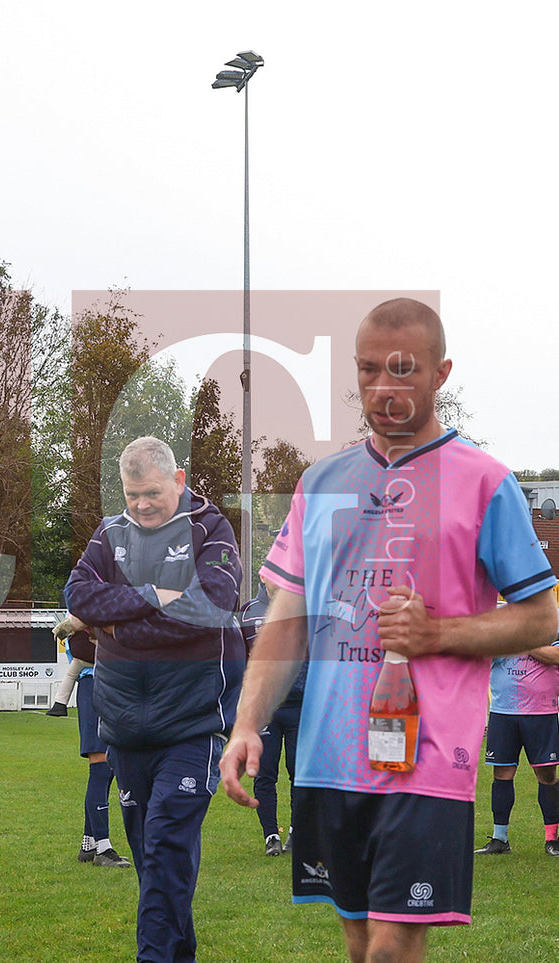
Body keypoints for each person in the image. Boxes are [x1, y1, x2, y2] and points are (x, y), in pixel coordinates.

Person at [219, 298, 558, 963]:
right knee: (355, 941)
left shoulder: (486, 482)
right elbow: (286, 621)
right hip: (325, 757)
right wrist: (246, 722)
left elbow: (540, 616)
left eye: (401, 370)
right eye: (367, 370)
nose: (381, 389)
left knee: (390, 948)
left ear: (440, 373)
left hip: (427, 759)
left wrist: (435, 635)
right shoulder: (319, 482)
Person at [64, 435, 245, 963]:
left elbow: (212, 603)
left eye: (152, 493)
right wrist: (153, 599)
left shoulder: (208, 528)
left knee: (165, 850)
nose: (141, 505)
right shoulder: (110, 532)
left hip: (190, 727)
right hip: (122, 728)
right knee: (155, 865)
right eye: (131, 494)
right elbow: (78, 593)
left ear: (179, 481)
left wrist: (118, 625)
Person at [51, 614, 133, 868]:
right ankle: (103, 847)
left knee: (107, 769)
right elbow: (80, 647)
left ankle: (89, 842)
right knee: (100, 764)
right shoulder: (83, 607)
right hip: (95, 686)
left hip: (112, 688)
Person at [473, 637, 559, 856]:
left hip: (541, 714)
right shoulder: (502, 629)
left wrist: (521, 644)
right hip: (503, 713)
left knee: (546, 774)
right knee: (502, 772)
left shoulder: (552, 627)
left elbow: (555, 656)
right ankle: (499, 839)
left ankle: (552, 839)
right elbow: (482, 656)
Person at [240, 581, 306, 856]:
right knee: (264, 772)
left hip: (299, 707)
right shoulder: (248, 613)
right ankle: (270, 836)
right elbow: (239, 659)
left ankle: (295, 832)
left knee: (298, 773)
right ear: (264, 577)